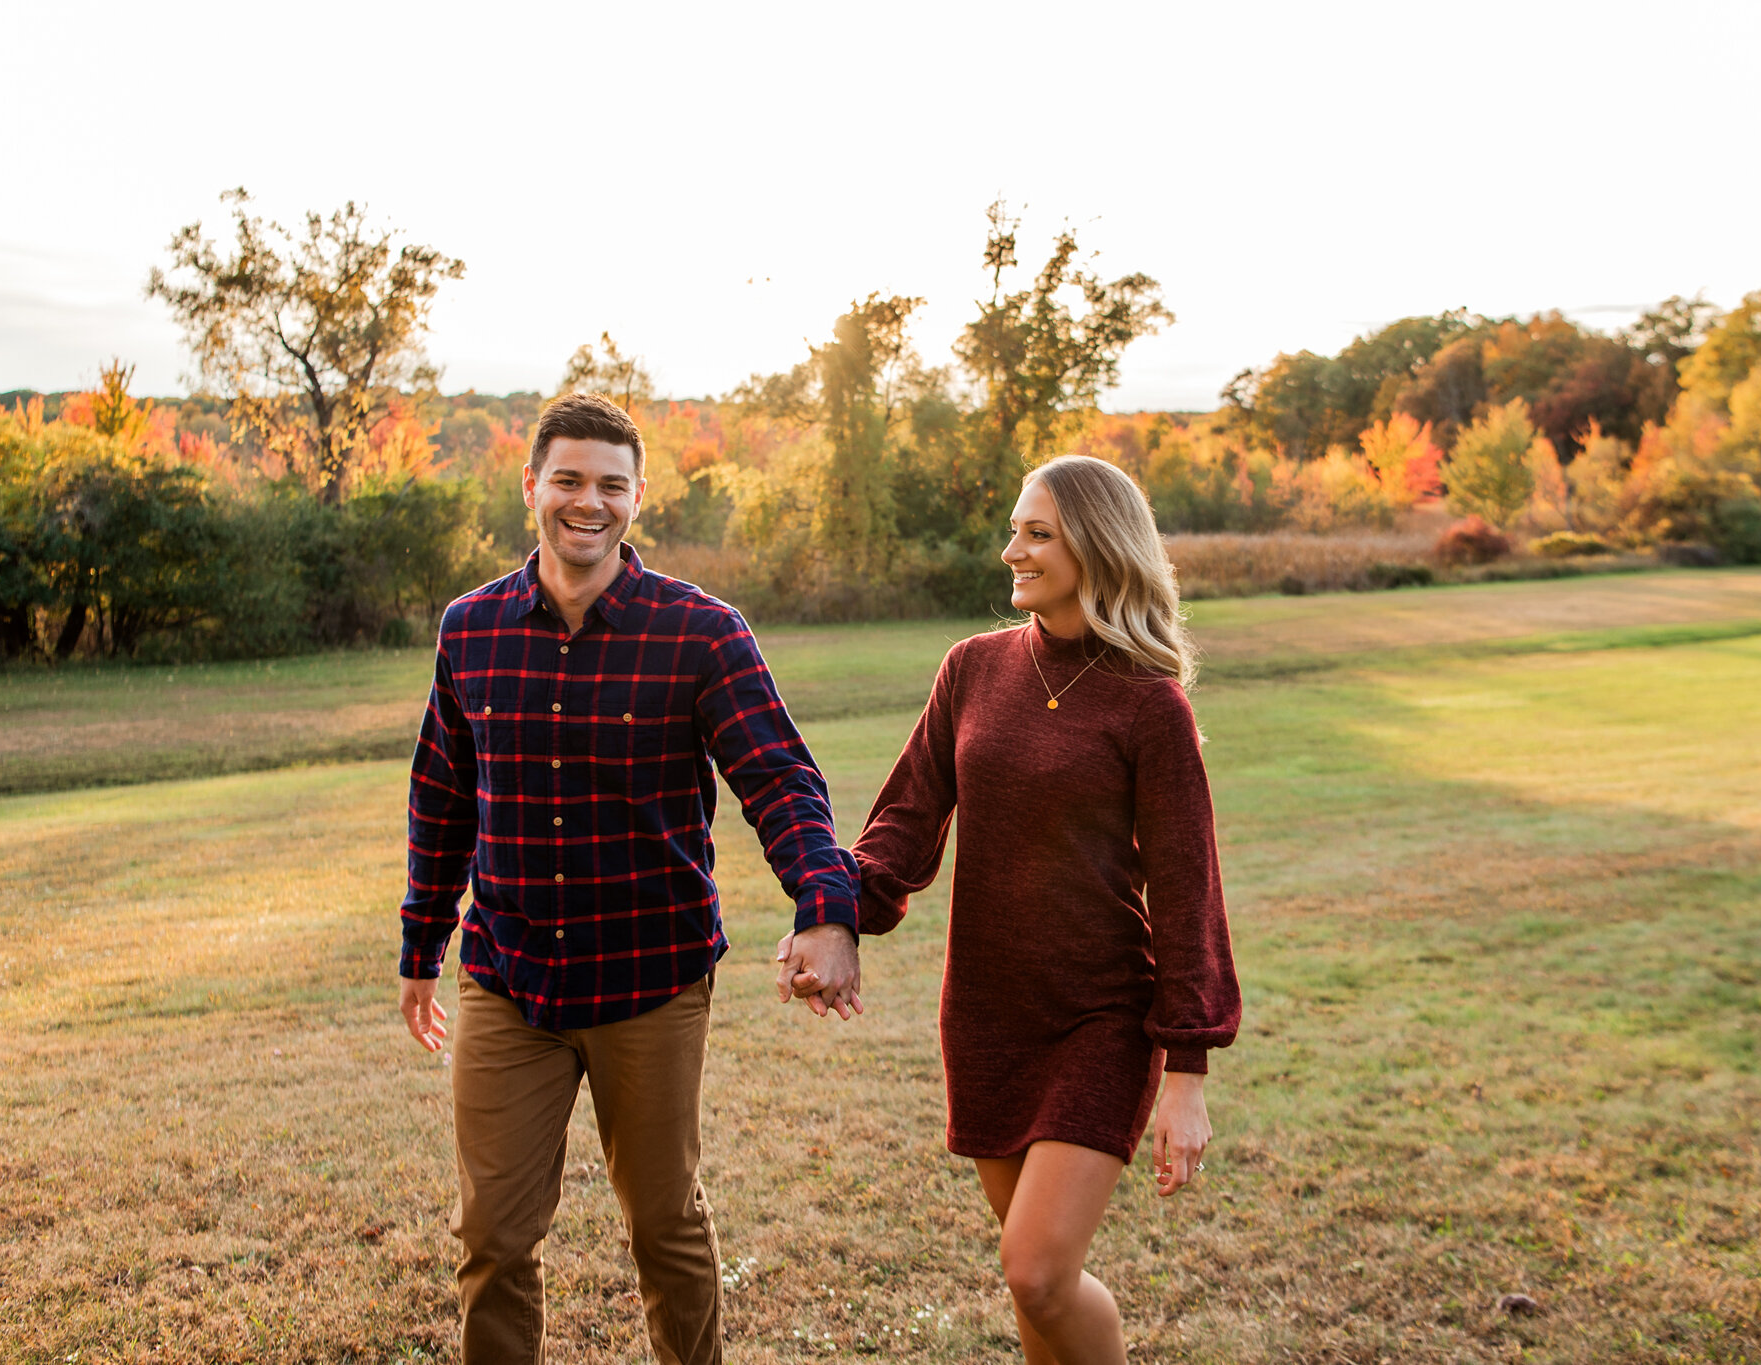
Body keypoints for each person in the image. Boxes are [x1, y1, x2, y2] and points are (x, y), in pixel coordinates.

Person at [397, 392, 864, 1365]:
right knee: (490, 1239)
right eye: (567, 479)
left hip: (649, 982)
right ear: (530, 486)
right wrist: (419, 947)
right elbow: (442, 796)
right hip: (506, 978)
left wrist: (825, 913)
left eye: (610, 485)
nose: (587, 502)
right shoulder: (472, 631)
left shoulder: (699, 632)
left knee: (663, 1228)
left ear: (636, 498)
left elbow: (779, 782)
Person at [782, 453, 1241, 1365]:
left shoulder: (1149, 705)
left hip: (1100, 1015)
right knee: (1033, 1278)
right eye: (1015, 529)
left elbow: (1191, 889)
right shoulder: (973, 668)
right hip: (988, 1013)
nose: (1011, 552)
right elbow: (904, 825)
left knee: (1037, 1270)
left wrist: (1186, 1070)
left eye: (1037, 534)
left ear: (1097, 547)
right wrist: (830, 909)